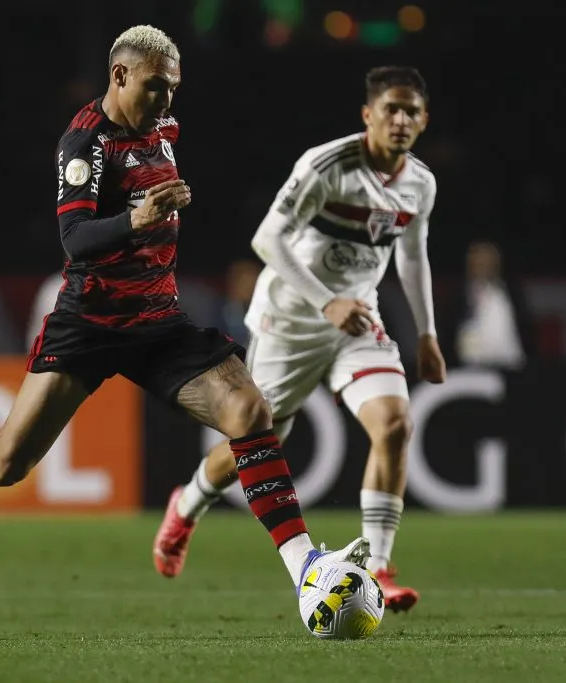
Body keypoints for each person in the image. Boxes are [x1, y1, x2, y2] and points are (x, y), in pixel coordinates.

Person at [0, 25, 369, 595]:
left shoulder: (162, 125)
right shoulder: (84, 142)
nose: (165, 101)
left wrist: (169, 203)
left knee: (248, 410)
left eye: (173, 89)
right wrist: (137, 220)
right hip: (89, 324)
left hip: (157, 321)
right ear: (118, 75)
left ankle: (306, 570)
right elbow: (75, 238)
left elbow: (153, 190)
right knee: (4, 466)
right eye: (154, 87)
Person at [153, 66, 446, 613]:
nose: (401, 120)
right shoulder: (327, 165)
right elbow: (268, 239)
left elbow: (411, 254)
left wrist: (427, 333)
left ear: (424, 120)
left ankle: (378, 567)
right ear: (368, 115)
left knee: (396, 424)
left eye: (412, 111)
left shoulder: (420, 183)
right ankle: (188, 504)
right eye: (391, 109)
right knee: (260, 440)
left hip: (357, 321)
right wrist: (325, 300)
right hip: (289, 323)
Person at [442, 240, 533, 370]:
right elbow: (448, 333)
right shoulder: (459, 298)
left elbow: (526, 328)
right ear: (470, 265)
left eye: (487, 262)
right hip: (470, 369)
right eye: (478, 263)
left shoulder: (511, 294)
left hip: (512, 368)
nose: (483, 267)